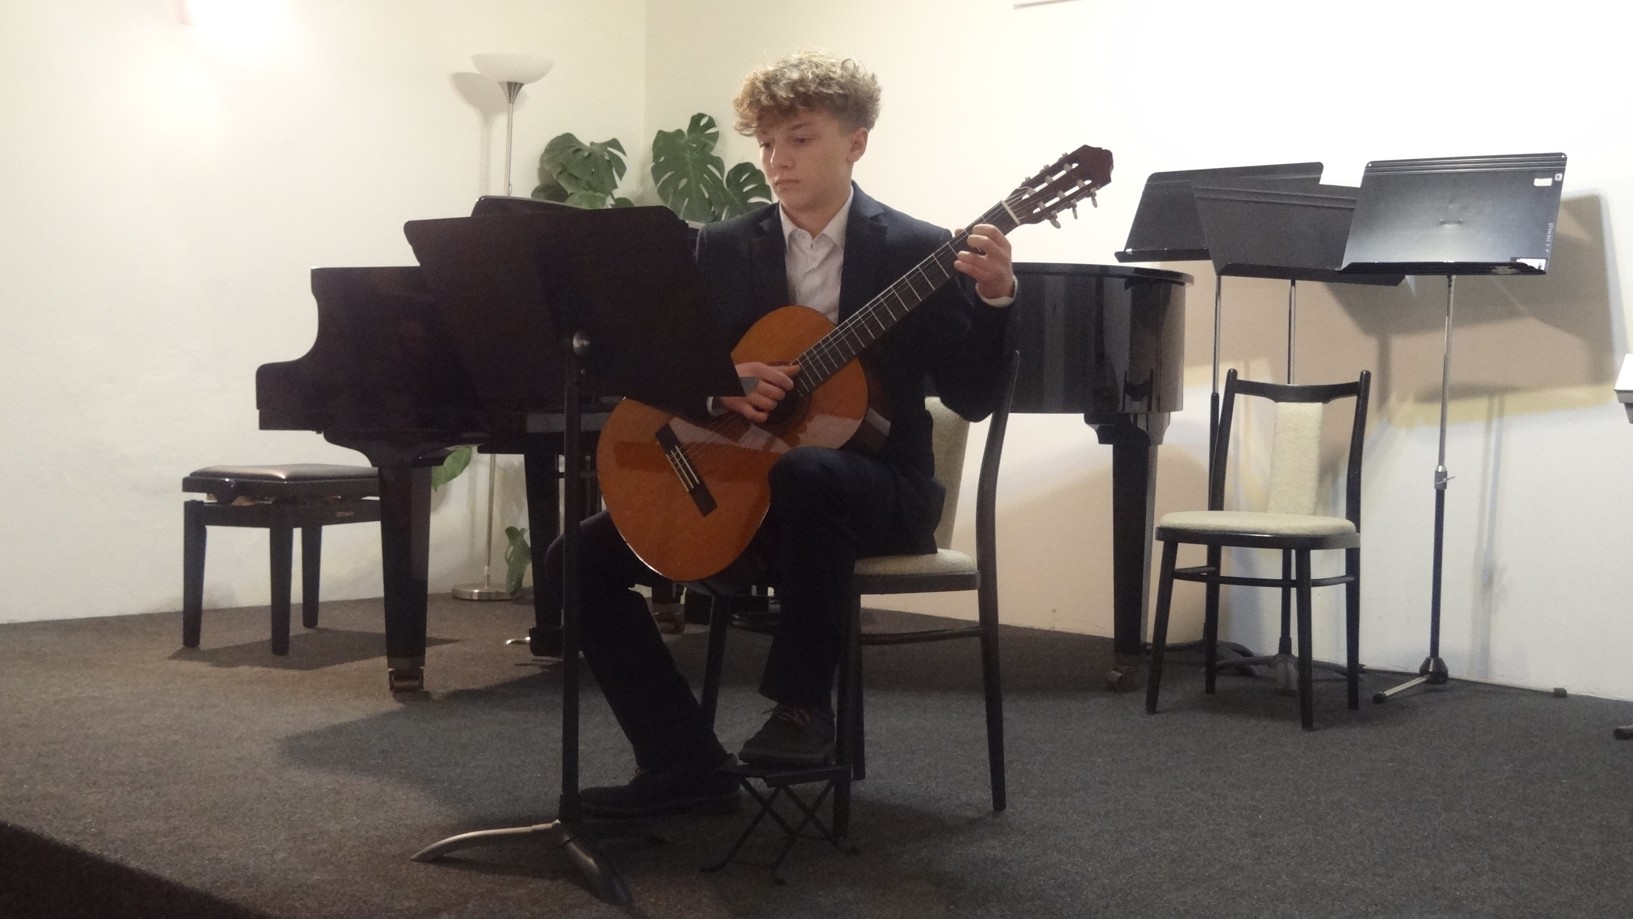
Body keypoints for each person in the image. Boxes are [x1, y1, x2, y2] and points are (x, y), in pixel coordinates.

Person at [529, 50, 1018, 818]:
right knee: (573, 561)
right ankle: (683, 762)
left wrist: (995, 301)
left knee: (810, 472)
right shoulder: (722, 246)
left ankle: (801, 707)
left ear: (855, 142)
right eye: (765, 143)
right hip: (740, 483)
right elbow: (664, 368)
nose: (776, 160)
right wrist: (721, 382)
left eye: (799, 138)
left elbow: (973, 395)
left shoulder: (917, 251)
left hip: (876, 491)